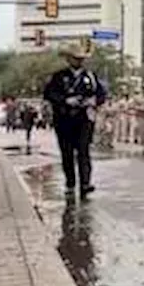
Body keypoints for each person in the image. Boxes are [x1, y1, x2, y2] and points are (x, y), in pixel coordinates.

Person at [43, 45, 108, 199]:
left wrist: (93, 101)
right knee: (67, 153)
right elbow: (49, 94)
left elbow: (101, 94)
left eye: (81, 58)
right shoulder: (58, 76)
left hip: (84, 118)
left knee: (83, 151)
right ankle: (70, 182)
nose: (79, 61)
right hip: (64, 119)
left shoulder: (90, 76)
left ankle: (85, 183)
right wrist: (65, 100)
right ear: (68, 59)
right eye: (75, 58)